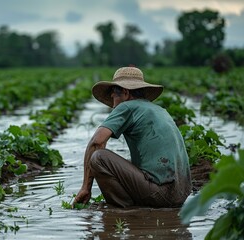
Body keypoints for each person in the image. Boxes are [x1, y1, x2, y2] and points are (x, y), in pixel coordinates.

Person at [73, 66, 192, 208]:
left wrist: (85, 188)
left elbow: (96, 143)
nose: (111, 96)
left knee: (99, 158)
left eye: (113, 91)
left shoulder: (127, 106)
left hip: (161, 194)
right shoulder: (159, 110)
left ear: (125, 92)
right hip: (181, 194)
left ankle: (123, 208)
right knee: (127, 163)